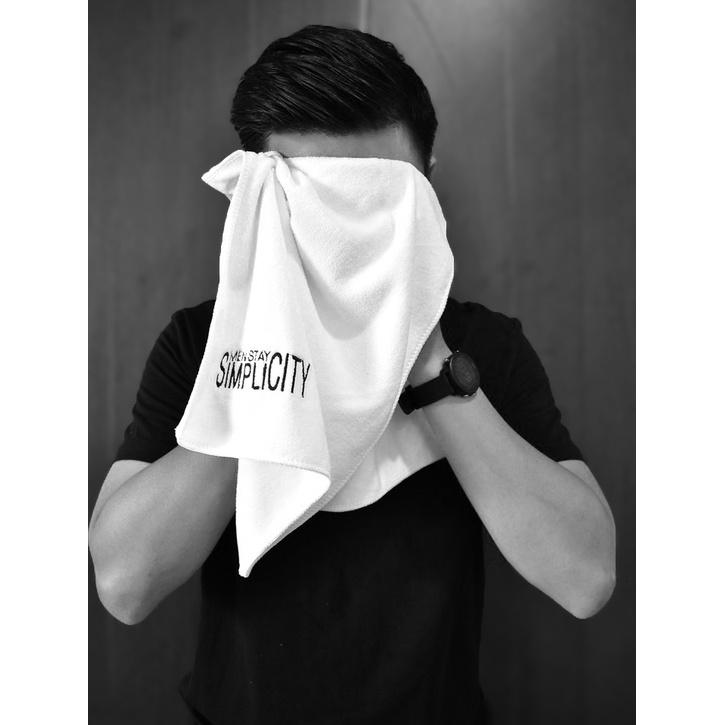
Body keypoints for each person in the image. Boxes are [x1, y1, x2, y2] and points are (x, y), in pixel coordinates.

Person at [89, 24, 616, 725]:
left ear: (426, 185)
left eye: (371, 204)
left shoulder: (483, 347)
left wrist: (428, 362)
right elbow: (125, 584)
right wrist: (262, 364)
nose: (343, 236)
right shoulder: (199, 346)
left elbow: (585, 577)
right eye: (311, 203)